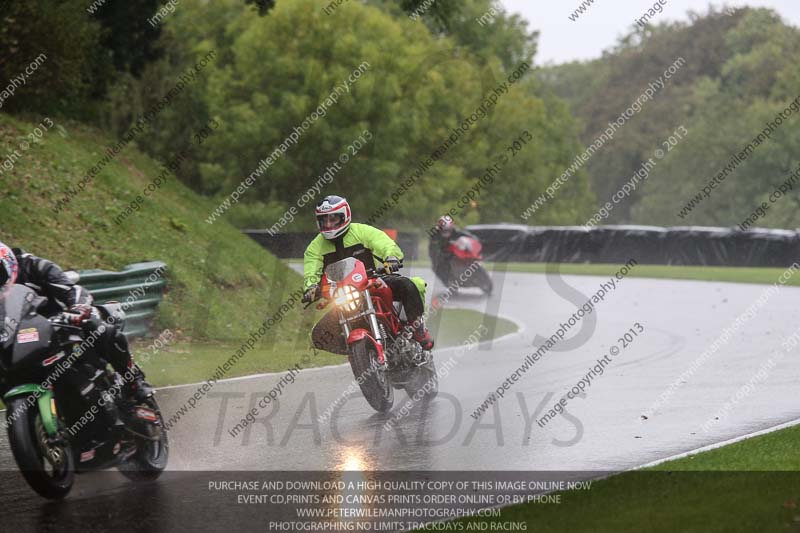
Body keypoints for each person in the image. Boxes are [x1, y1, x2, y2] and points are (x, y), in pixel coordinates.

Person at [0, 242, 152, 428]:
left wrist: (78, 308)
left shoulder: (32, 266)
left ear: (9, 264)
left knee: (99, 326)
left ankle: (134, 381)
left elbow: (72, 289)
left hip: (62, 325)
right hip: (21, 343)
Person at [302, 195, 433, 350]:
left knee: (407, 285)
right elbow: (311, 272)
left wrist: (391, 257)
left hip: (373, 282)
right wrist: (311, 288)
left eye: (333, 219)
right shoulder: (315, 248)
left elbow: (384, 243)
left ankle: (417, 329)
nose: (329, 224)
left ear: (345, 216)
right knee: (319, 335)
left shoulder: (362, 231)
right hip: (343, 293)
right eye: (324, 220)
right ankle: (360, 351)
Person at [428, 215, 477, 284]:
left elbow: (465, 234)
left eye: (449, 229)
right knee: (436, 268)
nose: (447, 232)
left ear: (452, 227)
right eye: (444, 230)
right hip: (443, 256)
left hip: (457, 253)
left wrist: (473, 238)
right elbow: (432, 250)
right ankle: (449, 283)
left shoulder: (455, 231)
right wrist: (439, 256)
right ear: (440, 228)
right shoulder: (435, 235)